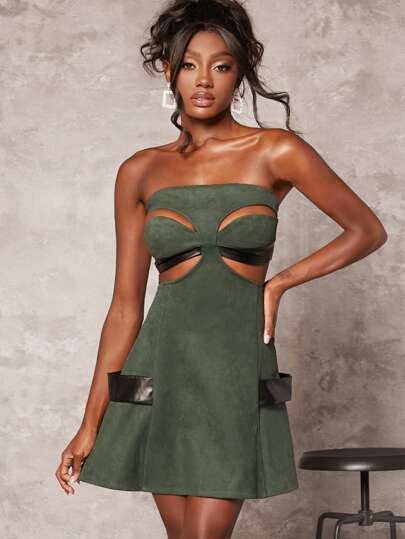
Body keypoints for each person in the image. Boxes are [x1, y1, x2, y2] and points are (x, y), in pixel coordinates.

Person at [55, 1, 388, 537]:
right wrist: (88, 424)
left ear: (240, 74)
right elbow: (124, 308)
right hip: (162, 370)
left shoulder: (276, 151)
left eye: (222, 65)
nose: (205, 80)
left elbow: (366, 230)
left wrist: (279, 284)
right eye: (190, 65)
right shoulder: (140, 171)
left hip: (234, 367)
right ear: (170, 71)